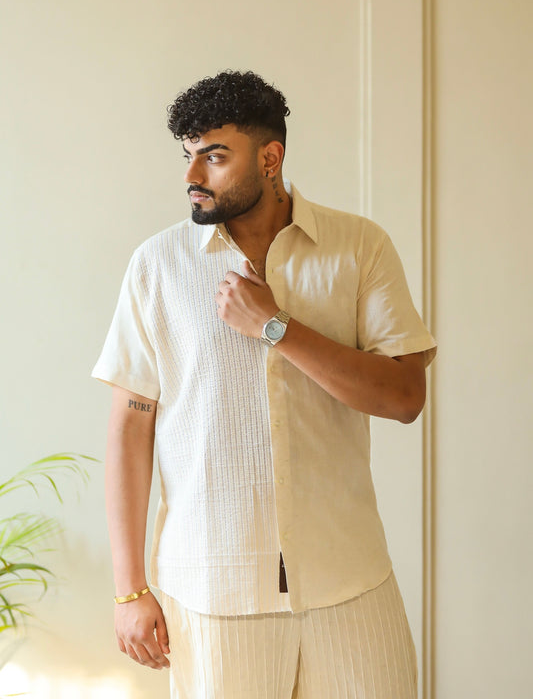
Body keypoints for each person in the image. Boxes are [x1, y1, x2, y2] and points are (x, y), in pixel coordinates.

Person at [92, 70, 436, 698]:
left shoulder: (358, 247)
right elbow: (129, 431)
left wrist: (276, 327)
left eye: (215, 156)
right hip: (212, 592)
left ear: (270, 158)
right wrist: (128, 589)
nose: (193, 175)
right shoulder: (157, 266)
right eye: (188, 155)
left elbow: (404, 396)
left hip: (350, 581)